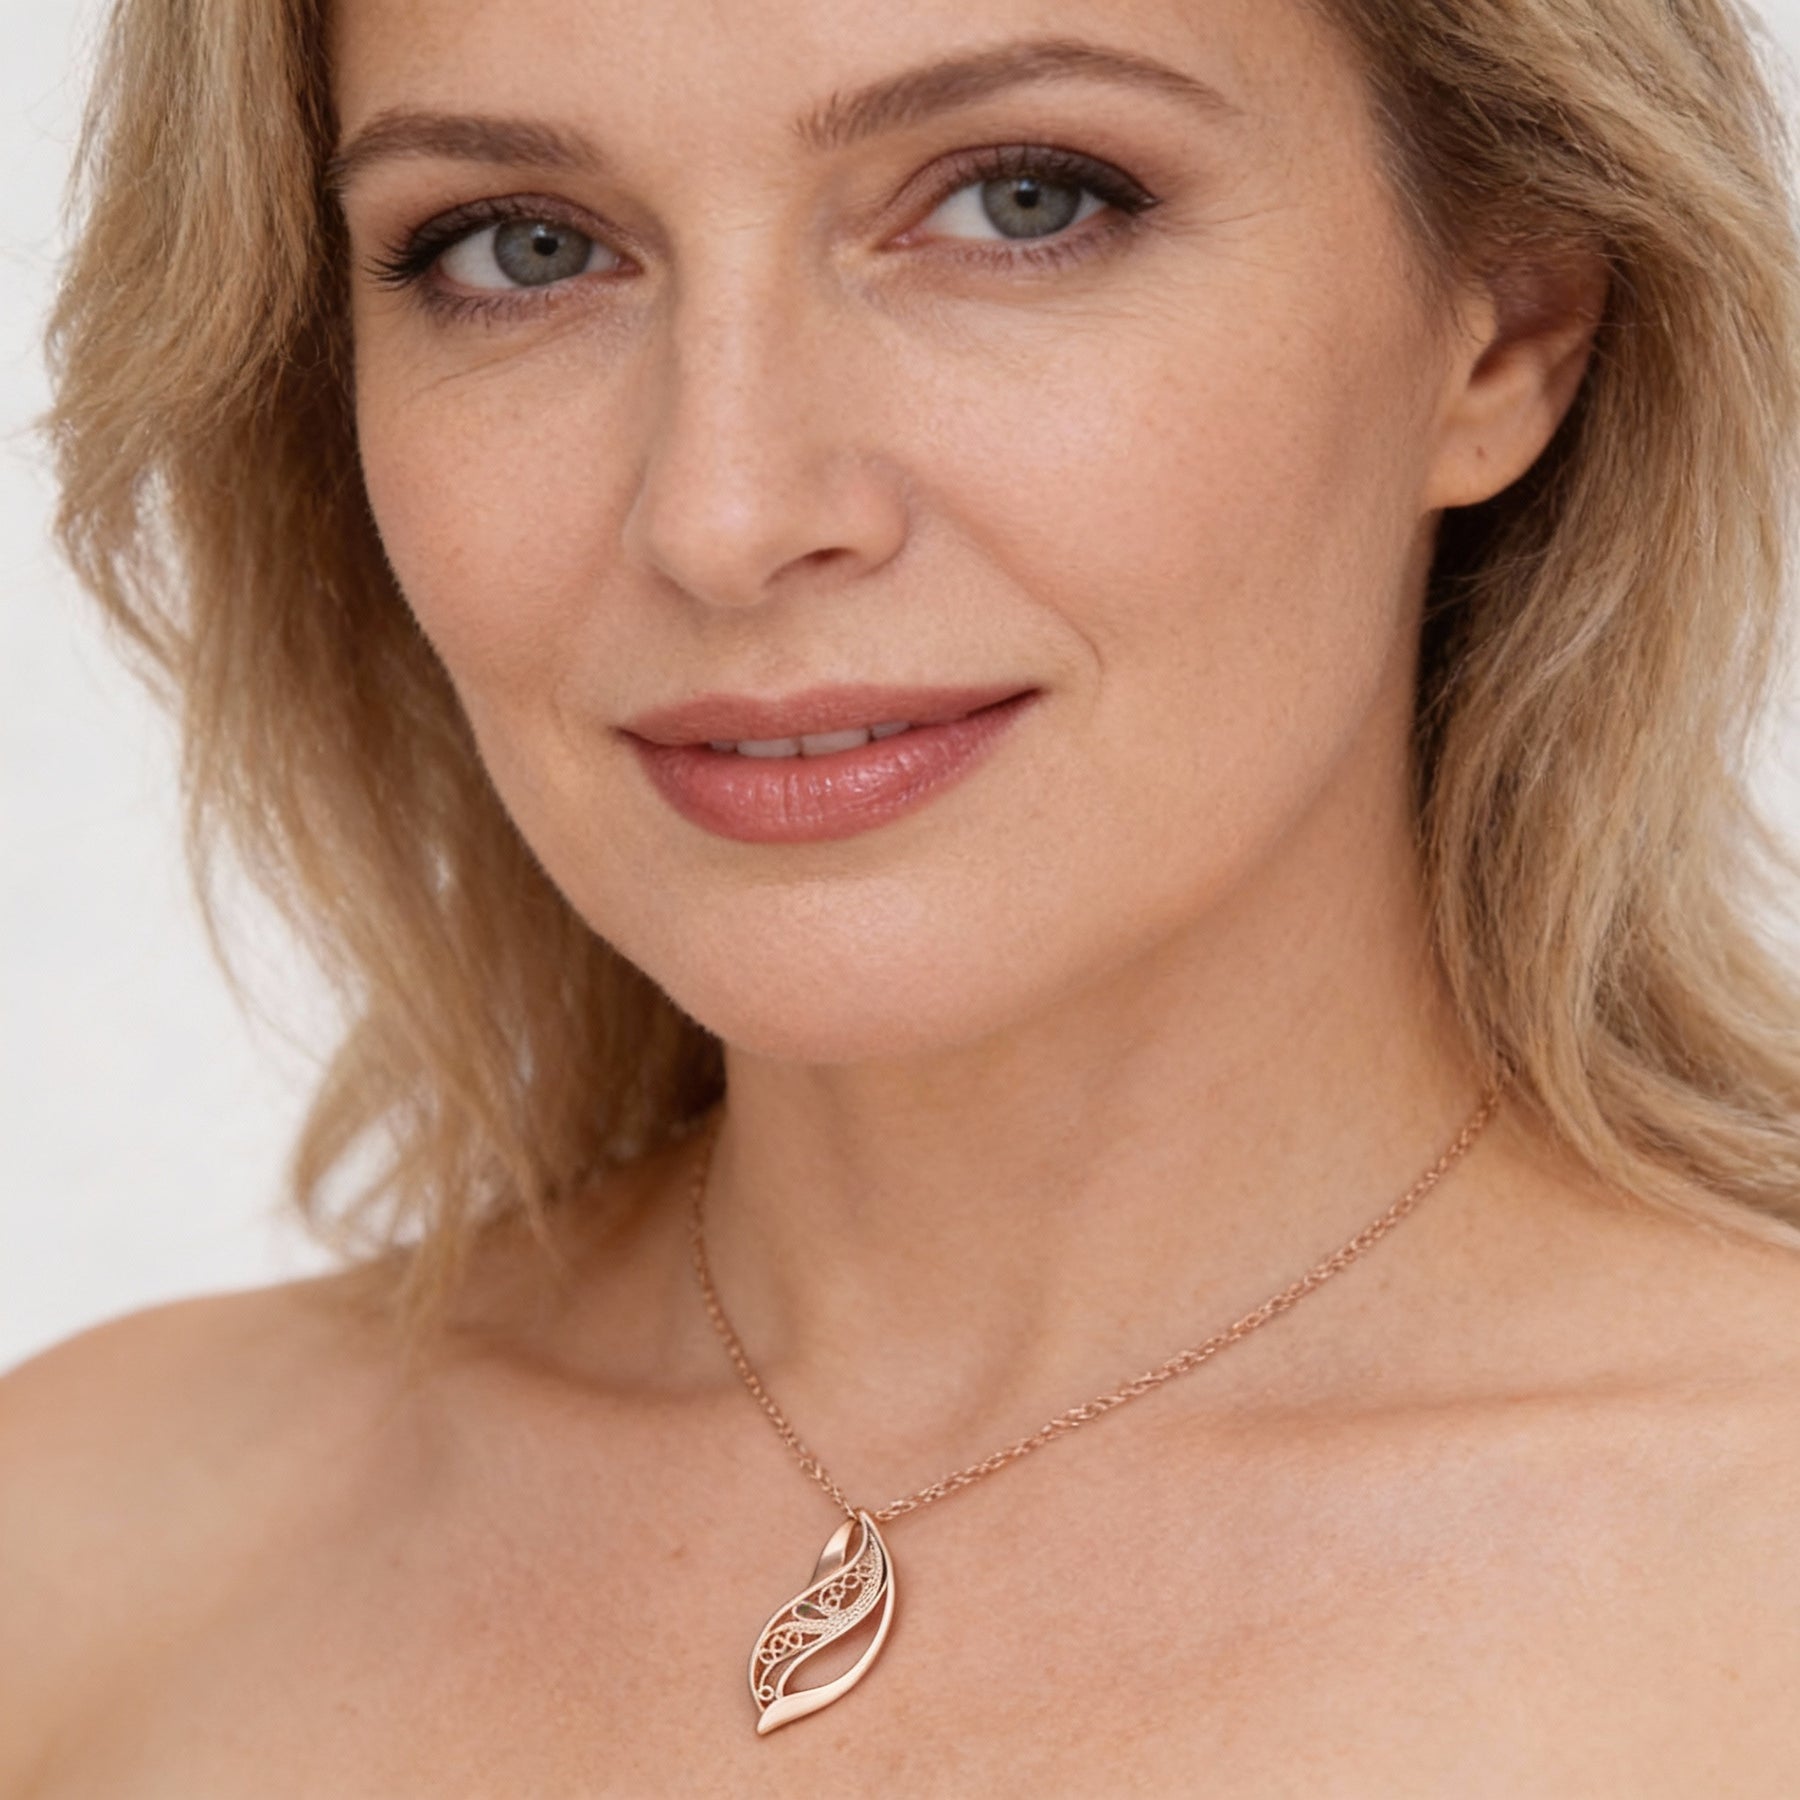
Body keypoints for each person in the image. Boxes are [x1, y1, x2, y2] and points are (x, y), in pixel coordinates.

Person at [6, 0, 1800, 1787]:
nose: (722, 515)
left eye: (1024, 201)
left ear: (1509, 329)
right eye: (521, 248)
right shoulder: (87, 1551)